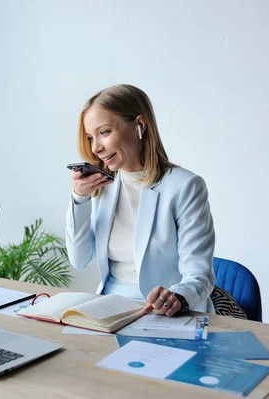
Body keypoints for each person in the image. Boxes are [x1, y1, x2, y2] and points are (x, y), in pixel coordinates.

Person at [65, 84, 216, 316]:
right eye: (90, 137)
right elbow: (79, 259)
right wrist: (79, 199)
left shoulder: (185, 186)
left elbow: (200, 275)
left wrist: (177, 297)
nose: (96, 148)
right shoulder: (102, 185)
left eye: (104, 132)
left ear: (140, 125)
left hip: (166, 314)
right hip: (110, 308)